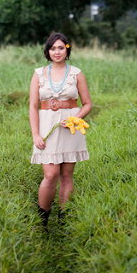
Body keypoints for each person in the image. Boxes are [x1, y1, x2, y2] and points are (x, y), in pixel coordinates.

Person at [29, 32, 92, 231]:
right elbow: (32, 106)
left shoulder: (76, 73)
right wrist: (36, 134)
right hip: (47, 126)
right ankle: (42, 220)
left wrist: (76, 118)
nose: (57, 51)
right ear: (47, 51)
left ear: (67, 49)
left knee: (66, 175)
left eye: (60, 47)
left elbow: (87, 104)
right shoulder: (39, 73)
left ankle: (65, 220)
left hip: (70, 128)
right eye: (53, 48)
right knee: (50, 174)